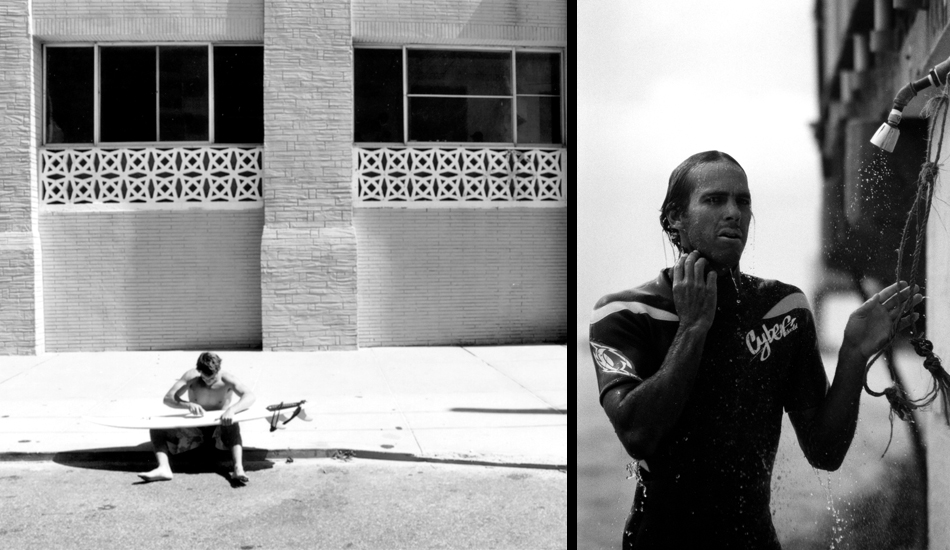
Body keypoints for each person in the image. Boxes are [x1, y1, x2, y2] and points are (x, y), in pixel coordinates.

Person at [588, 151, 923, 549]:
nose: (733, 212)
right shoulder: (626, 314)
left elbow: (824, 451)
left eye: (742, 201)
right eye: (714, 200)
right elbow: (638, 433)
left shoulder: (783, 309)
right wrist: (694, 327)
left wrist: (852, 354)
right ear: (675, 217)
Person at [138, 352, 256, 484]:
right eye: (205, 378)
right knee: (156, 429)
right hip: (195, 429)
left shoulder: (227, 379)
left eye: (212, 378)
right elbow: (168, 399)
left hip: (219, 430)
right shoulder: (191, 377)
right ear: (199, 371)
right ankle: (163, 468)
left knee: (233, 424)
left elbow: (250, 396)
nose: (208, 382)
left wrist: (232, 410)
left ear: (218, 370)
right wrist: (187, 405)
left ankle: (238, 468)